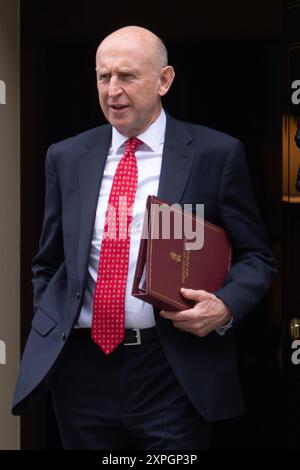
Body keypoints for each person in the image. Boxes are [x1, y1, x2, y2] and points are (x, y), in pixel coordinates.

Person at [12, 26, 276, 450]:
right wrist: (50, 315)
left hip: (169, 368)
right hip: (82, 369)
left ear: (164, 80)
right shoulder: (65, 156)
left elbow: (257, 257)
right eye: (103, 77)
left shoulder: (215, 153)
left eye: (127, 76)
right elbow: (48, 260)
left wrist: (225, 306)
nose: (112, 90)